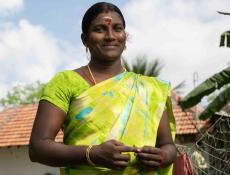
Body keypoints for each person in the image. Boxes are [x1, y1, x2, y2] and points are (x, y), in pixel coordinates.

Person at [29, 2, 177, 175]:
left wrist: (162, 156)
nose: (110, 36)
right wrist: (92, 154)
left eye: (117, 28)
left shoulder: (150, 89)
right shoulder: (65, 82)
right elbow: (38, 147)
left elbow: (167, 145)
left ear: (125, 36)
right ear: (85, 40)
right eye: (99, 29)